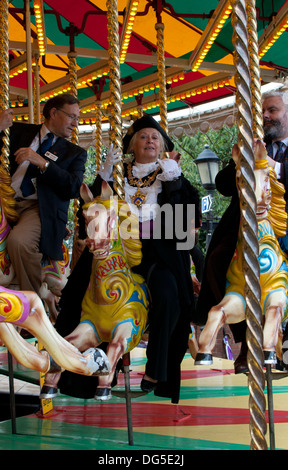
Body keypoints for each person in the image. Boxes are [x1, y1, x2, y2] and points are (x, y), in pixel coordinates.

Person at [53, 114, 201, 403]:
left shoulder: (170, 174)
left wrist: (174, 183)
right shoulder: (119, 175)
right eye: (143, 136)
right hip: (114, 247)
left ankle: (156, 368)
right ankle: (71, 366)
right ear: (132, 144)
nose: (149, 141)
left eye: (155, 137)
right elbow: (90, 210)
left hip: (158, 250)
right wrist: (104, 177)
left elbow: (184, 222)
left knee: (169, 291)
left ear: (162, 146)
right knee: (77, 291)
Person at [195, 89, 288, 373]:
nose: (265, 116)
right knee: (217, 259)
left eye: (272, 110)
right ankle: (247, 339)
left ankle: (285, 345)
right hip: (248, 227)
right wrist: (240, 159)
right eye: (262, 111)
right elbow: (224, 185)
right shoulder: (252, 144)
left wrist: (277, 168)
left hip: (284, 222)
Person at [0, 93, 87, 295]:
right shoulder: (17, 131)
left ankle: (32, 304)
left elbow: (73, 187)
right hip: (3, 202)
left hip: (38, 209)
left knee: (20, 241)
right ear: (53, 112)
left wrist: (43, 163)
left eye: (77, 119)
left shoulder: (74, 153)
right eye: (72, 117)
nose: (75, 124)